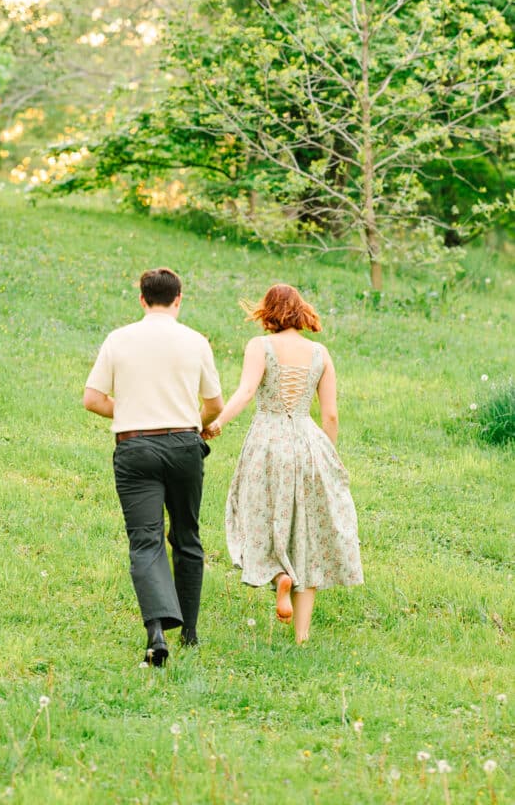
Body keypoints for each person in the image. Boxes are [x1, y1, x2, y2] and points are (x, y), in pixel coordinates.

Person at [205, 284, 363, 644]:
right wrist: (328, 457)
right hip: (309, 445)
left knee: (258, 516)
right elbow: (331, 414)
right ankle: (302, 637)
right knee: (306, 536)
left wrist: (216, 424)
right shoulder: (320, 353)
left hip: (268, 441)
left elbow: (246, 392)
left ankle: (278, 577)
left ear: (268, 312)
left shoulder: (260, 347)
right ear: (300, 311)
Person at [83, 267, 223, 666]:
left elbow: (92, 398)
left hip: (134, 448)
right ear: (179, 299)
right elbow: (214, 404)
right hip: (183, 444)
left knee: (145, 541)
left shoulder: (119, 339)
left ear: (142, 299)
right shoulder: (195, 341)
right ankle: (191, 633)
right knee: (187, 535)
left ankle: (156, 634)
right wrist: (201, 421)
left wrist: (128, 409)